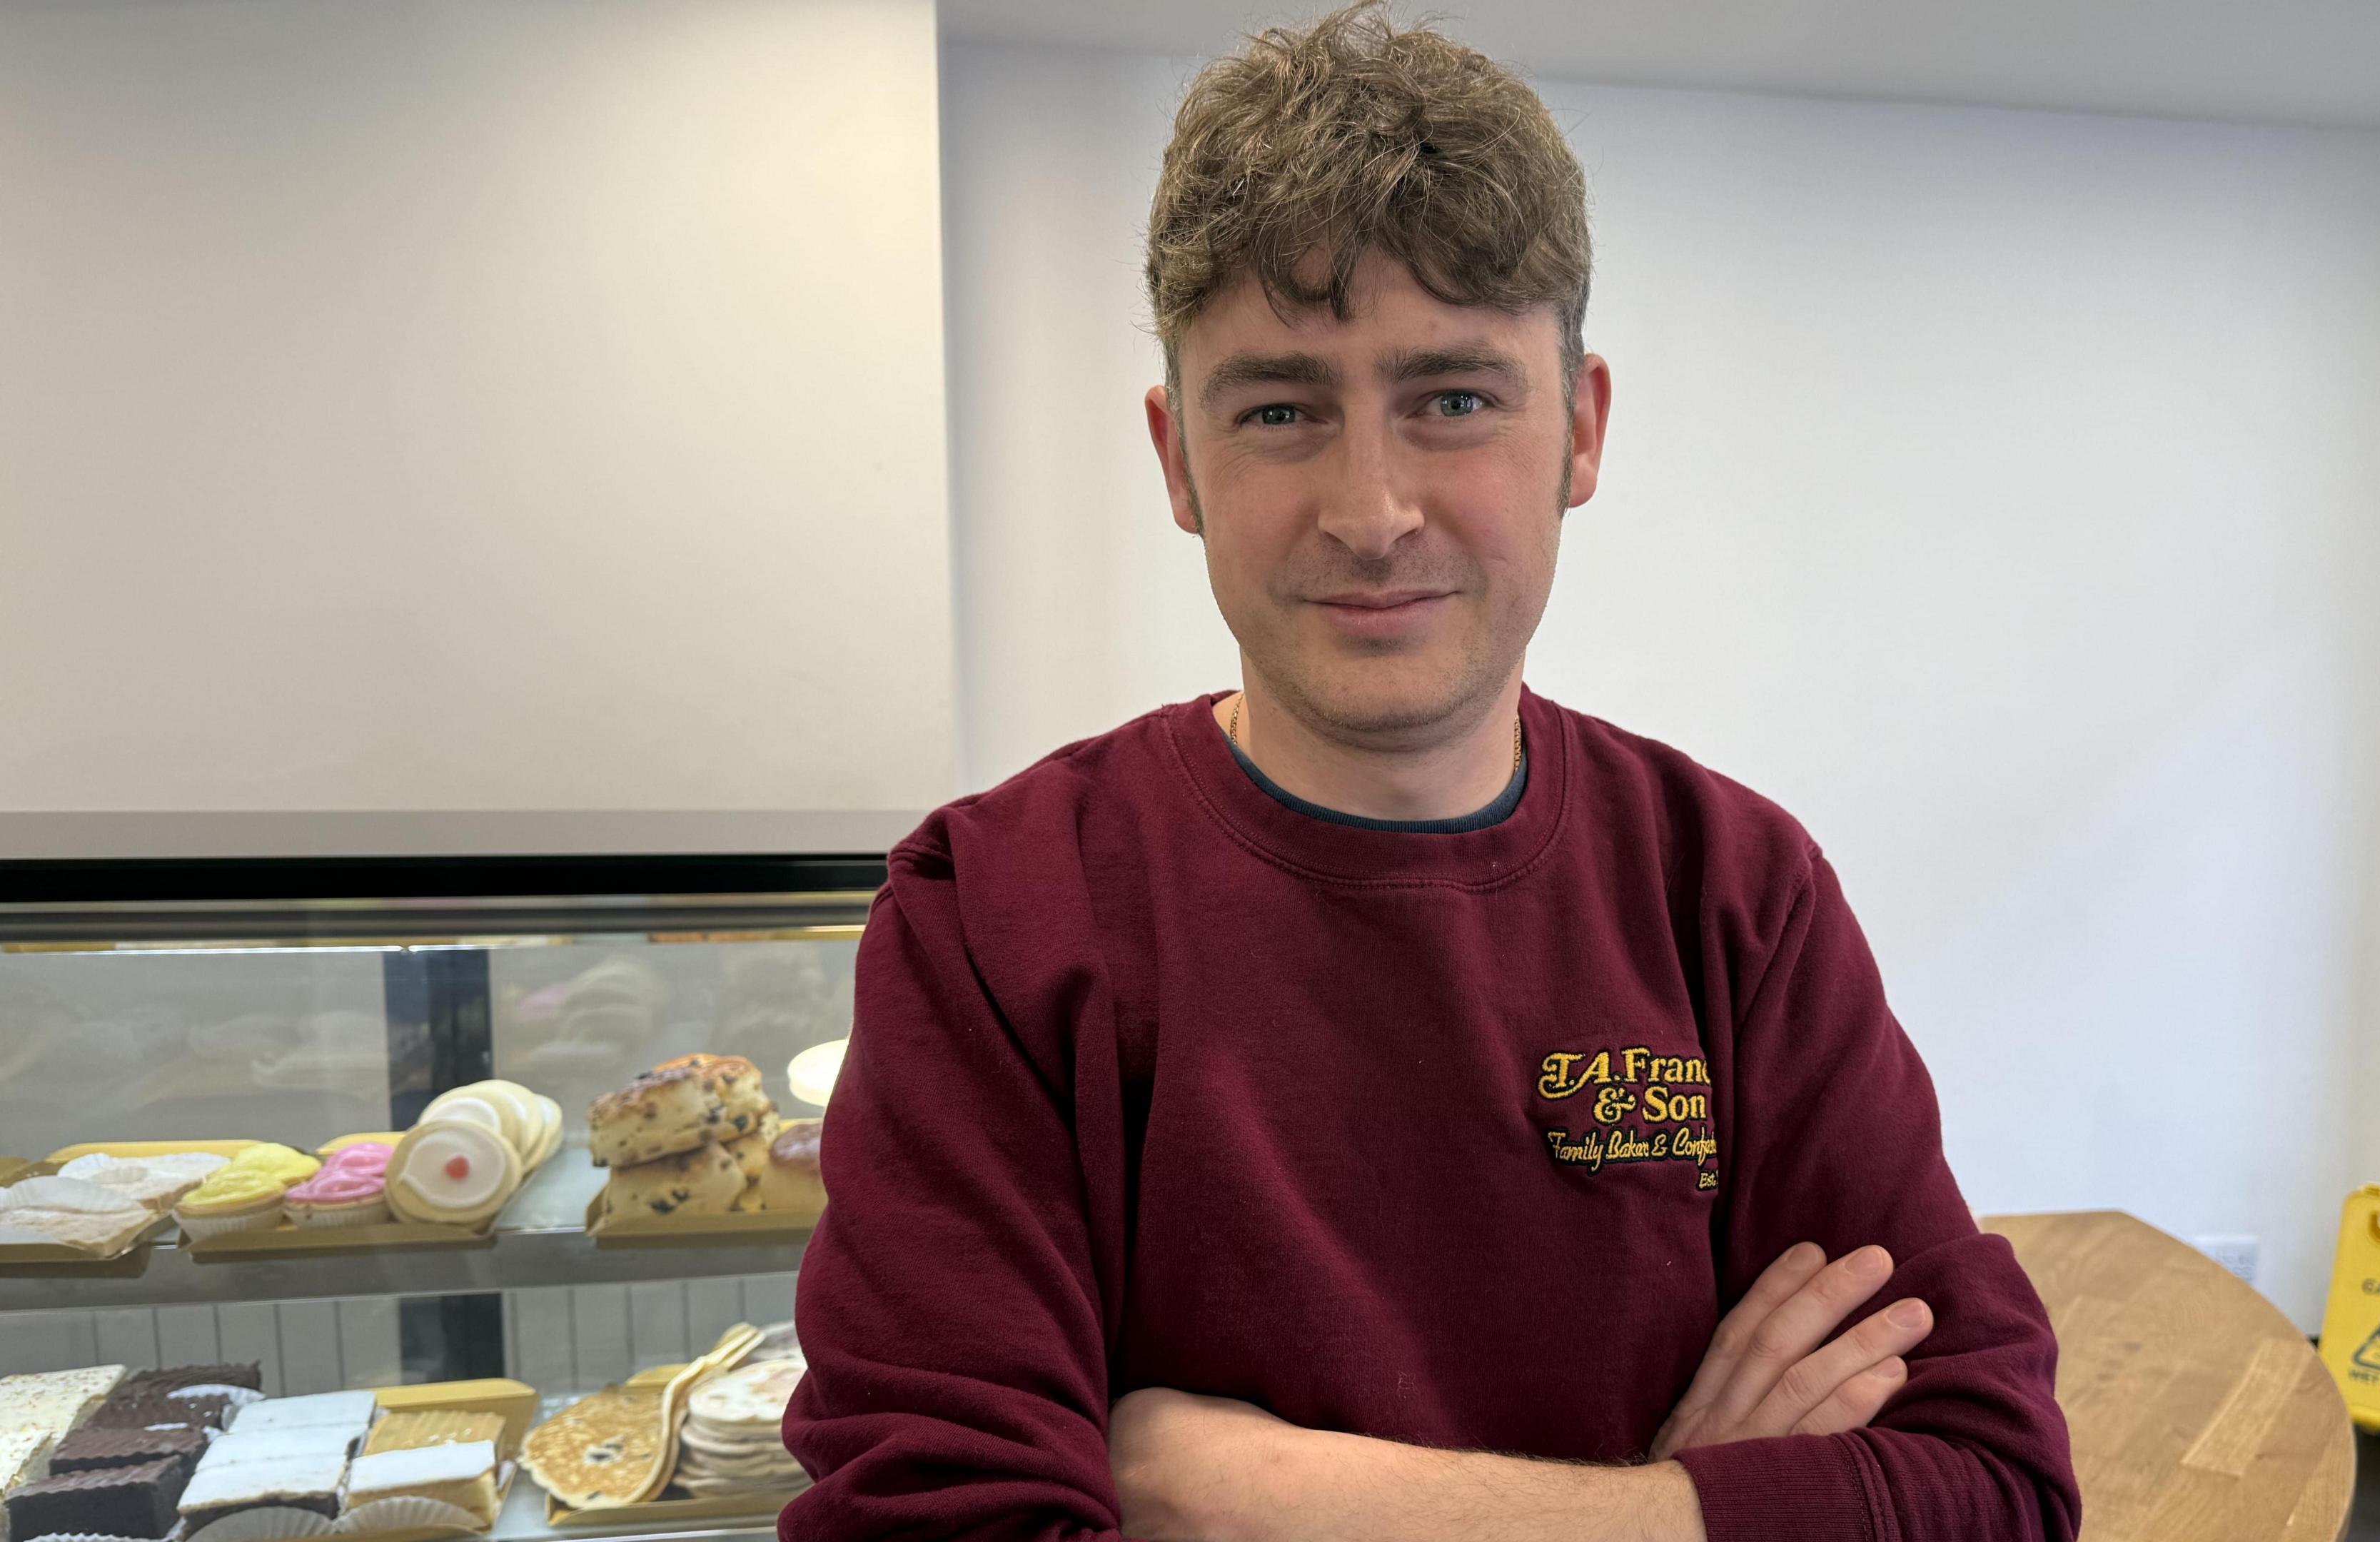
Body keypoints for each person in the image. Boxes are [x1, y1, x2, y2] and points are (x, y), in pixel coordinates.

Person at [783, 5, 2079, 1538]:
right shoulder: (998, 919)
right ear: (1177, 462)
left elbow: (1994, 1488)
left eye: (1451, 399)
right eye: (1280, 411)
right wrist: (1711, 1502)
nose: (1373, 506)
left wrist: (1241, 1490)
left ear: (1579, 433)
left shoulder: (1734, 892)